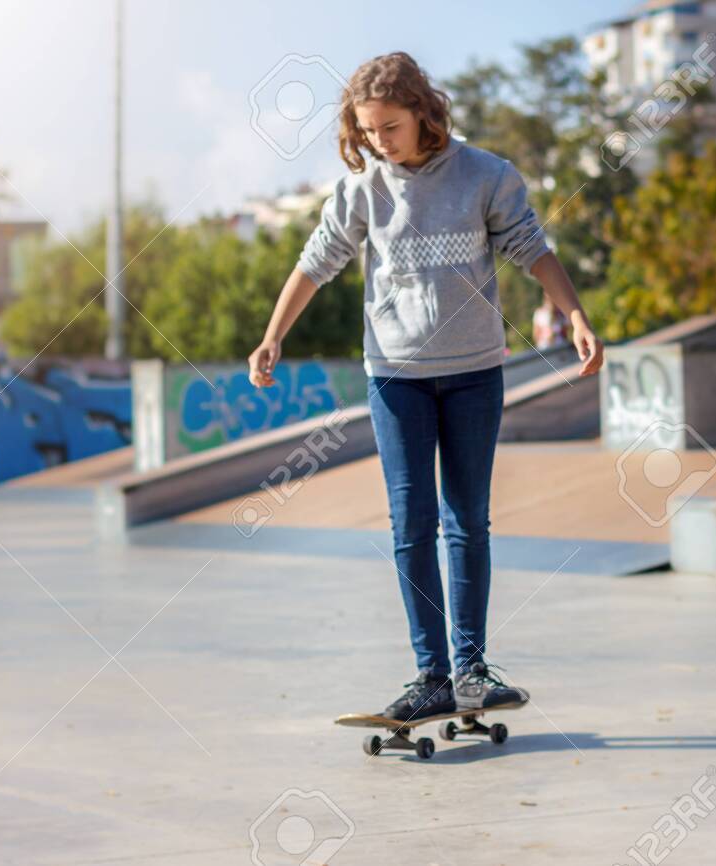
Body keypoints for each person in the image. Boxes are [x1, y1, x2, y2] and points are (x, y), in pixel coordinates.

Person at [246, 52, 604, 722]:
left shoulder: (485, 175)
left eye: (390, 127)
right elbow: (315, 262)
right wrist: (273, 336)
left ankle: (471, 671)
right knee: (413, 524)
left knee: (468, 521)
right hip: (397, 378)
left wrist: (576, 315)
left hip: (473, 374)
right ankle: (430, 674)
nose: (380, 142)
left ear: (423, 111)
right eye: (368, 131)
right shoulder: (363, 189)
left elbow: (532, 247)